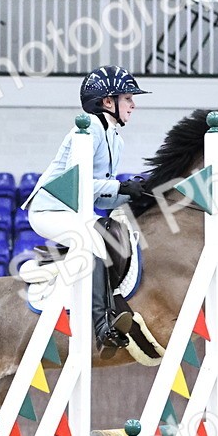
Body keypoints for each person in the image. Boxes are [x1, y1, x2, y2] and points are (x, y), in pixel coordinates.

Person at [23, 66, 150, 357]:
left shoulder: (116, 139)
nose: (133, 104)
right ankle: (101, 324)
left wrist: (133, 197)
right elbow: (79, 185)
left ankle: (112, 305)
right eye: (128, 97)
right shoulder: (89, 128)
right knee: (92, 243)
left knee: (116, 235)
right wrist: (120, 187)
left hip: (77, 210)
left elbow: (102, 200)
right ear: (108, 101)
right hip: (50, 209)